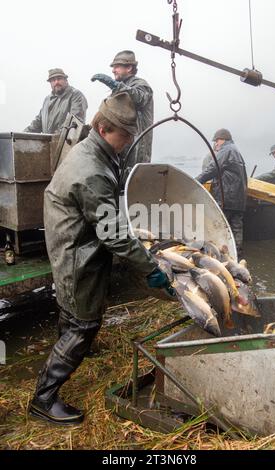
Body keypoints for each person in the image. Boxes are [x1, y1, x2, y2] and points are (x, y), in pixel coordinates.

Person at [29, 92, 172, 425]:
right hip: (77, 252)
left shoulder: (95, 149)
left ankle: (72, 350)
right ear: (105, 127)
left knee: (71, 310)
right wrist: (150, 268)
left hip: (71, 242)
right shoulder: (91, 168)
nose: (127, 143)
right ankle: (43, 400)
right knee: (84, 323)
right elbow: (114, 234)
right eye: (124, 136)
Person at [91, 50, 153, 170]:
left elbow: (139, 98)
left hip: (136, 148)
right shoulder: (120, 87)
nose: (113, 70)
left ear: (129, 67)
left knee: (130, 181)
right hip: (121, 146)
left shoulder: (141, 85)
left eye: (117, 67)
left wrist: (115, 85)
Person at [196, 129, 247, 257]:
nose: (216, 144)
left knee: (219, 226)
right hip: (239, 199)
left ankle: (218, 256)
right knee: (236, 228)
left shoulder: (227, 150)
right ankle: (237, 256)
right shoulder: (236, 151)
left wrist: (196, 181)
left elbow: (213, 168)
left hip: (227, 197)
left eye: (217, 141)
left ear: (222, 139)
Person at [24, 68, 88, 134]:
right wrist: (21, 135)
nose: (56, 82)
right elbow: (37, 123)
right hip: (48, 142)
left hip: (69, 143)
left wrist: (56, 136)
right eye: (53, 80)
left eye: (59, 79)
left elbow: (75, 122)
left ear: (66, 80)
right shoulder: (47, 100)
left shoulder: (75, 95)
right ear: (50, 83)